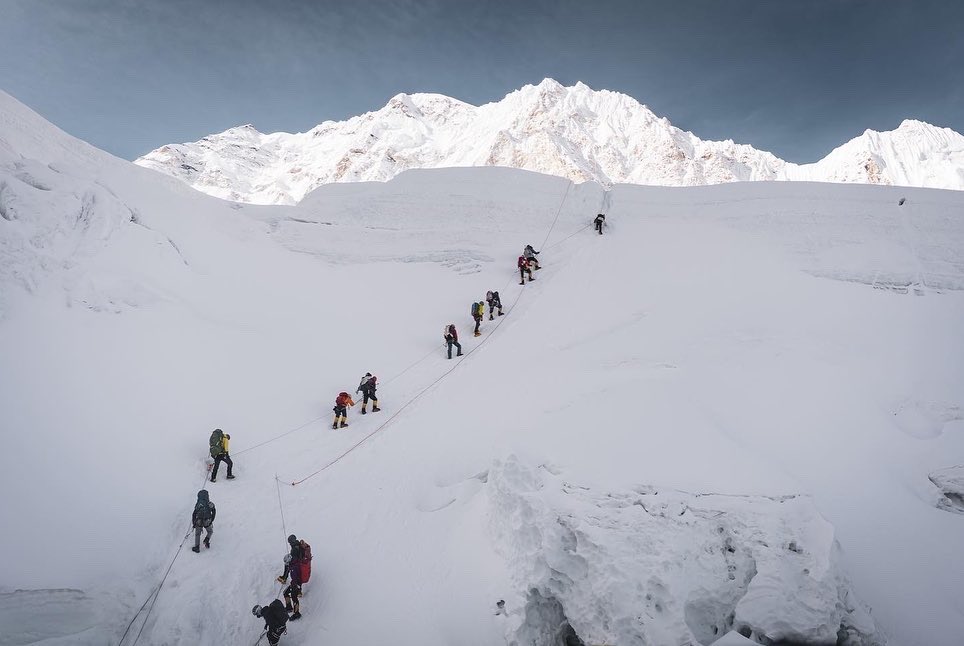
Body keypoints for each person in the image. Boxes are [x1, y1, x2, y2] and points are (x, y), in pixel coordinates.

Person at [277, 534, 311, 620]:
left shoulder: (293, 567)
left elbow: (295, 577)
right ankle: (289, 607)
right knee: (286, 593)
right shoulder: (294, 562)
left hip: (296, 583)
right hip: (297, 582)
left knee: (294, 597)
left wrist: (295, 586)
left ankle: (297, 613)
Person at [191, 489, 215, 553]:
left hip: (199, 520)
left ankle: (197, 547)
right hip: (207, 520)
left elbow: (194, 514)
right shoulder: (209, 503)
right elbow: (214, 511)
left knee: (197, 534)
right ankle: (206, 540)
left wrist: (194, 523)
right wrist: (211, 519)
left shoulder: (198, 504)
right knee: (210, 531)